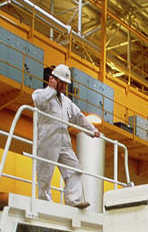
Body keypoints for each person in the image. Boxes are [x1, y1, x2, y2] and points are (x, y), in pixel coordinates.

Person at [31, 64, 100, 208]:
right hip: (47, 141)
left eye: (65, 84)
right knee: (45, 174)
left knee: (76, 169)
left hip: (64, 142)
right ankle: (44, 203)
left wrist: (92, 131)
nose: (63, 86)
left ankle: (73, 201)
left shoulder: (67, 102)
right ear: (53, 79)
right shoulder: (41, 94)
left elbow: (79, 117)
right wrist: (51, 89)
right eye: (61, 82)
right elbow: (38, 102)